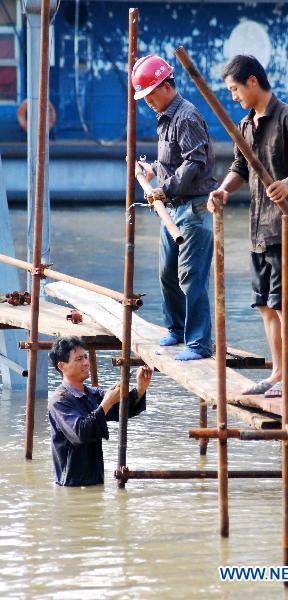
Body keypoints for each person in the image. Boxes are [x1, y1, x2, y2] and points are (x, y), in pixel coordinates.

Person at [208, 55, 288, 398]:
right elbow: (240, 168)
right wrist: (222, 189)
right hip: (259, 230)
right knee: (264, 303)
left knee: (284, 303)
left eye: (235, 89)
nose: (233, 96)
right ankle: (277, 375)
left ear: (252, 82)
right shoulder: (246, 125)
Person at [132, 54, 217, 361]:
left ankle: (198, 343)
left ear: (166, 86)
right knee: (168, 273)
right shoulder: (166, 117)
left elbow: (195, 162)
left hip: (193, 208)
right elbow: (173, 161)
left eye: (151, 94)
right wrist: (152, 170)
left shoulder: (186, 116)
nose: (148, 101)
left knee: (192, 275)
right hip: (172, 208)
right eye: (144, 97)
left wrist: (162, 190)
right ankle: (177, 329)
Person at [48, 336, 152, 486]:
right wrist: (107, 402)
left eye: (85, 357)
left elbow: (123, 411)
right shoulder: (60, 400)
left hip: (94, 480)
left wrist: (140, 388)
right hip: (71, 484)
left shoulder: (92, 394)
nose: (85, 362)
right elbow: (80, 433)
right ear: (62, 366)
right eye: (78, 359)